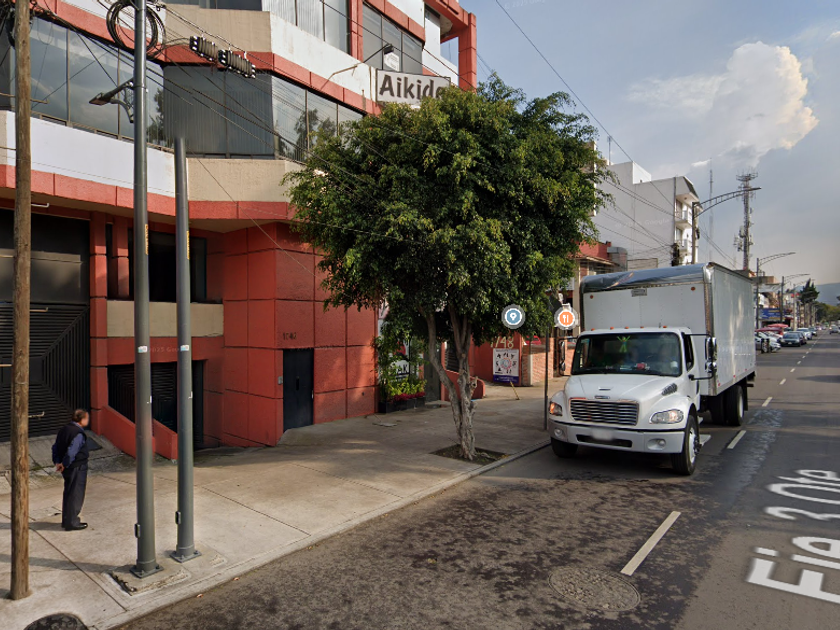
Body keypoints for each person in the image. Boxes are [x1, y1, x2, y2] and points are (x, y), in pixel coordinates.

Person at [52, 409, 91, 531]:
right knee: (76, 493)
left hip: (66, 467)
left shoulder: (64, 429)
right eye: (87, 418)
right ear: (82, 419)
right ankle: (72, 522)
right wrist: (65, 463)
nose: (88, 420)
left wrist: (58, 462)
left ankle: (67, 520)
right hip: (76, 467)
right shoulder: (78, 433)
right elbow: (72, 451)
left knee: (69, 493)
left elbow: (55, 447)